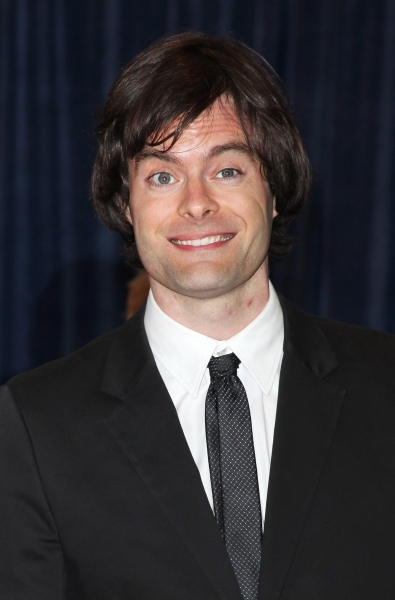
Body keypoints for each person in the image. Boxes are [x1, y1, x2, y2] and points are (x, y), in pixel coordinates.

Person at [1, 31, 395, 600]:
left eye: (228, 169)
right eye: (162, 175)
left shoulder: (385, 385)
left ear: (275, 186)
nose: (196, 202)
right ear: (126, 203)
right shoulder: (36, 424)